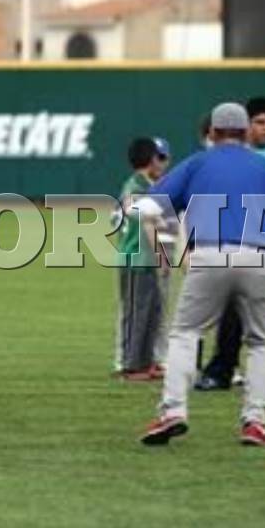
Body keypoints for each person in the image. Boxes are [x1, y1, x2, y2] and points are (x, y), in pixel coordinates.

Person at [137, 103, 265, 447]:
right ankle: (255, 422)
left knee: (185, 333)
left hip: (208, 255)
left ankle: (174, 411)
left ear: (212, 133)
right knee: (261, 342)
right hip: (257, 258)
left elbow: (149, 208)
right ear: (245, 134)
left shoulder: (197, 163)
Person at [197, 96, 265, 390]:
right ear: (246, 125)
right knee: (231, 318)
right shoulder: (235, 155)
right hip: (239, 246)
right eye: (259, 122)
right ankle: (221, 371)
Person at [113, 137, 171, 380]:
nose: (164, 163)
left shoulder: (143, 184)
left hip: (142, 259)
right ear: (150, 160)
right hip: (136, 259)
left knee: (151, 311)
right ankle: (132, 364)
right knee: (137, 312)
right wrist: (161, 254)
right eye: (160, 158)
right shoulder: (136, 186)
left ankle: (146, 361)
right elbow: (144, 220)